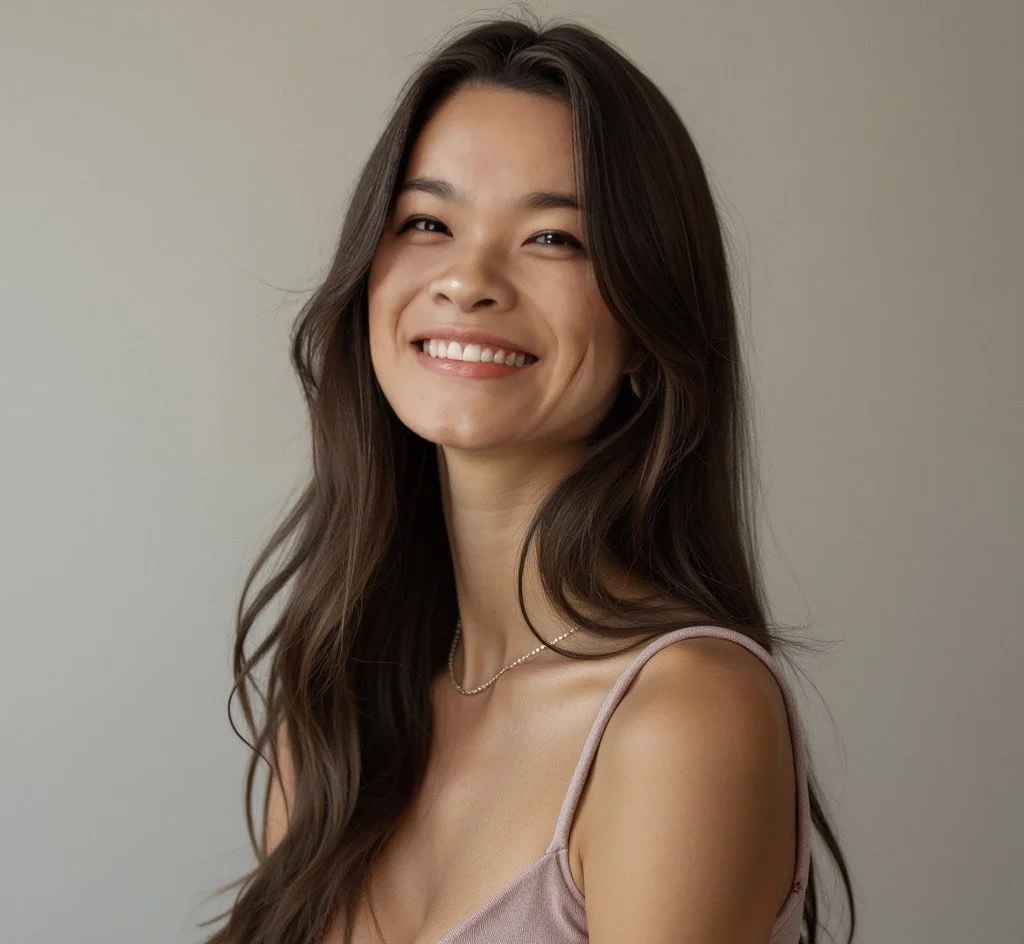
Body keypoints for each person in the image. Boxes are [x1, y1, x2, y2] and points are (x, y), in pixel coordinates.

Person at [200, 8, 855, 944]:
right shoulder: (342, 704)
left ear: (647, 331)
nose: (468, 279)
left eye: (553, 238)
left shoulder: (680, 716)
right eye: (426, 222)